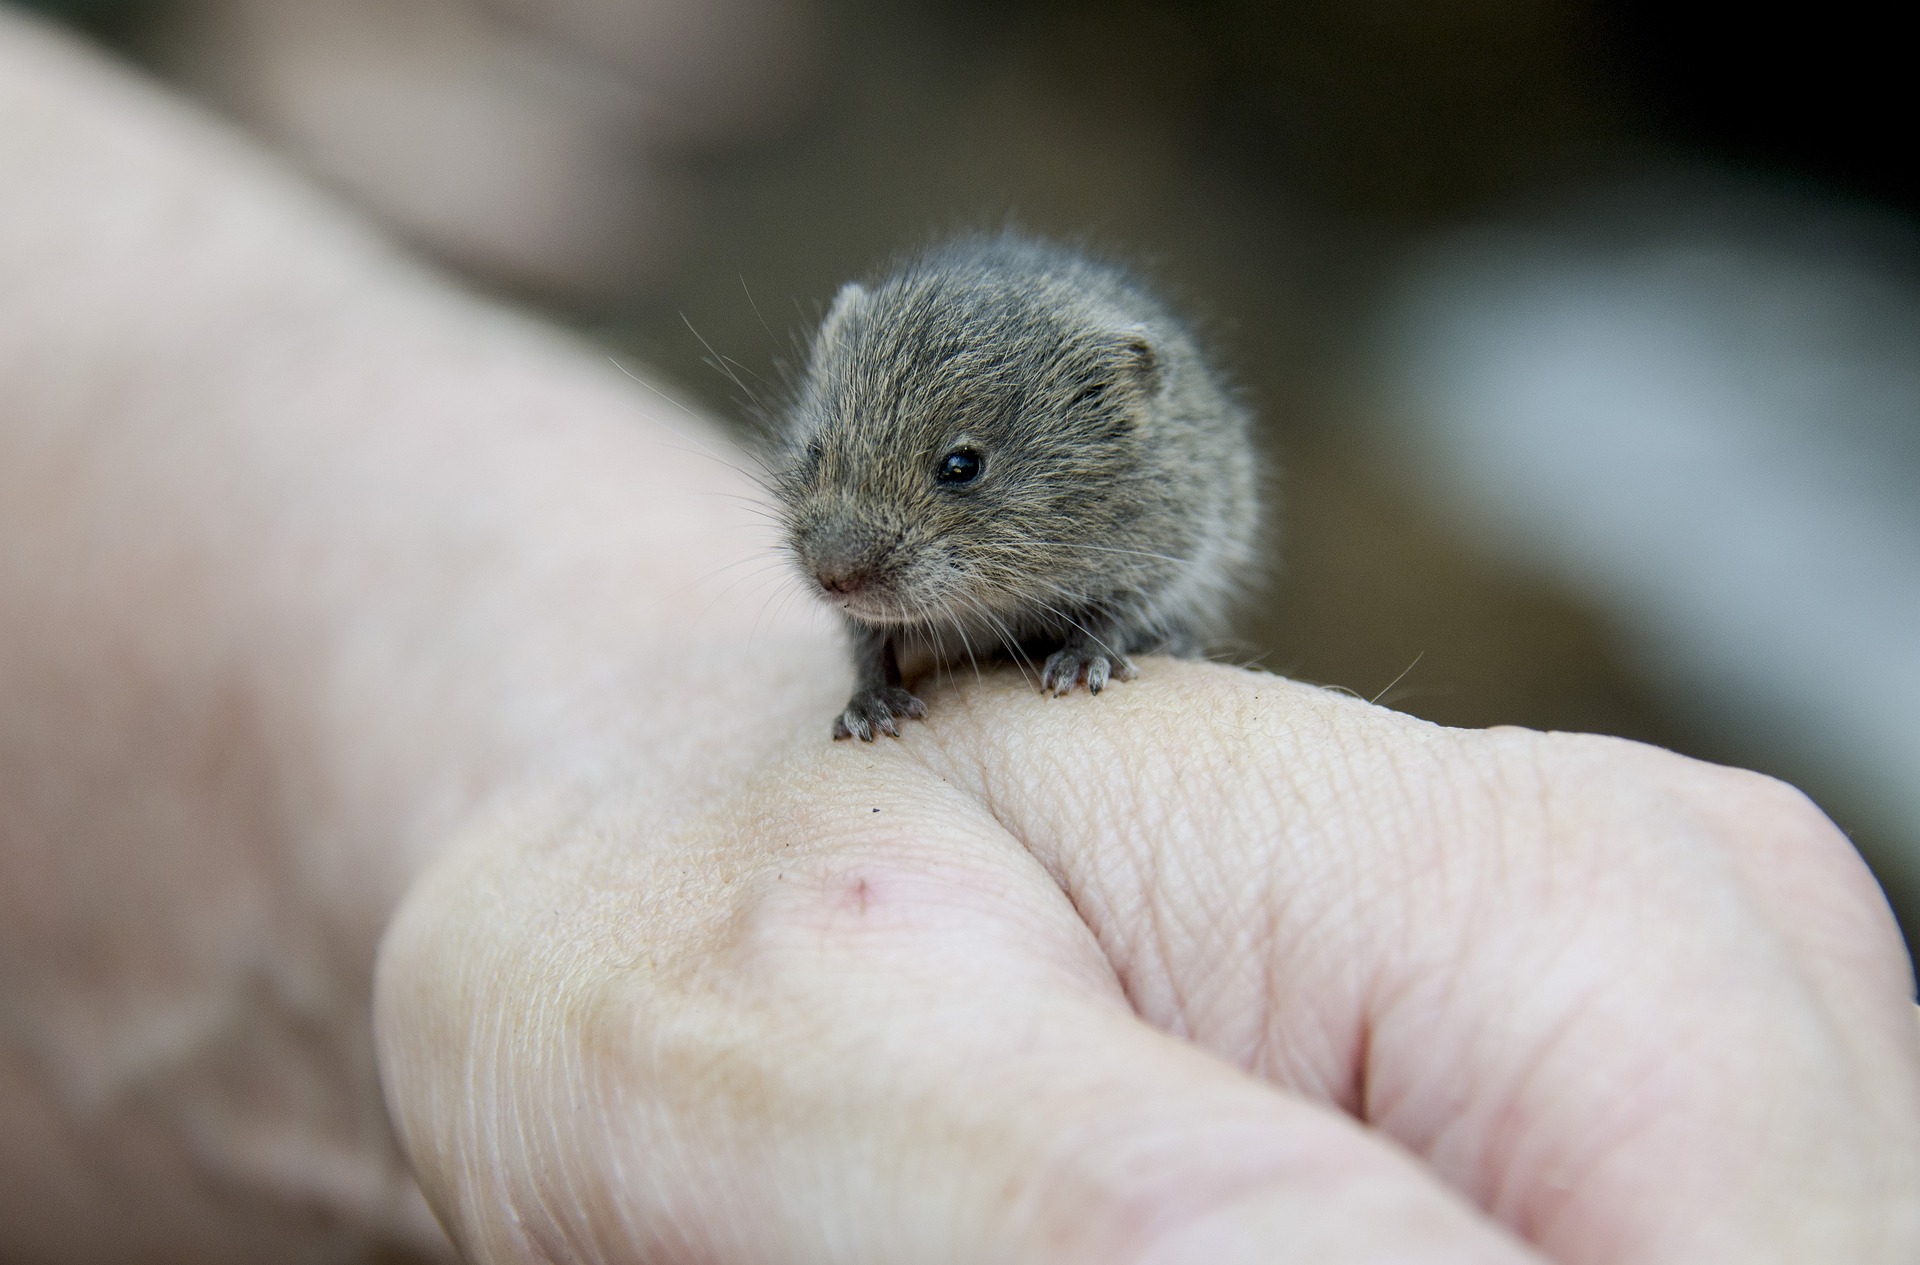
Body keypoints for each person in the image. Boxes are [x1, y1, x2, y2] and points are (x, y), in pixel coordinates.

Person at [1, 11, 1915, 1263]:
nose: (839, 539)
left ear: (1107, 434)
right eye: (826, 467)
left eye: (950, 480)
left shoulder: (1147, 446)